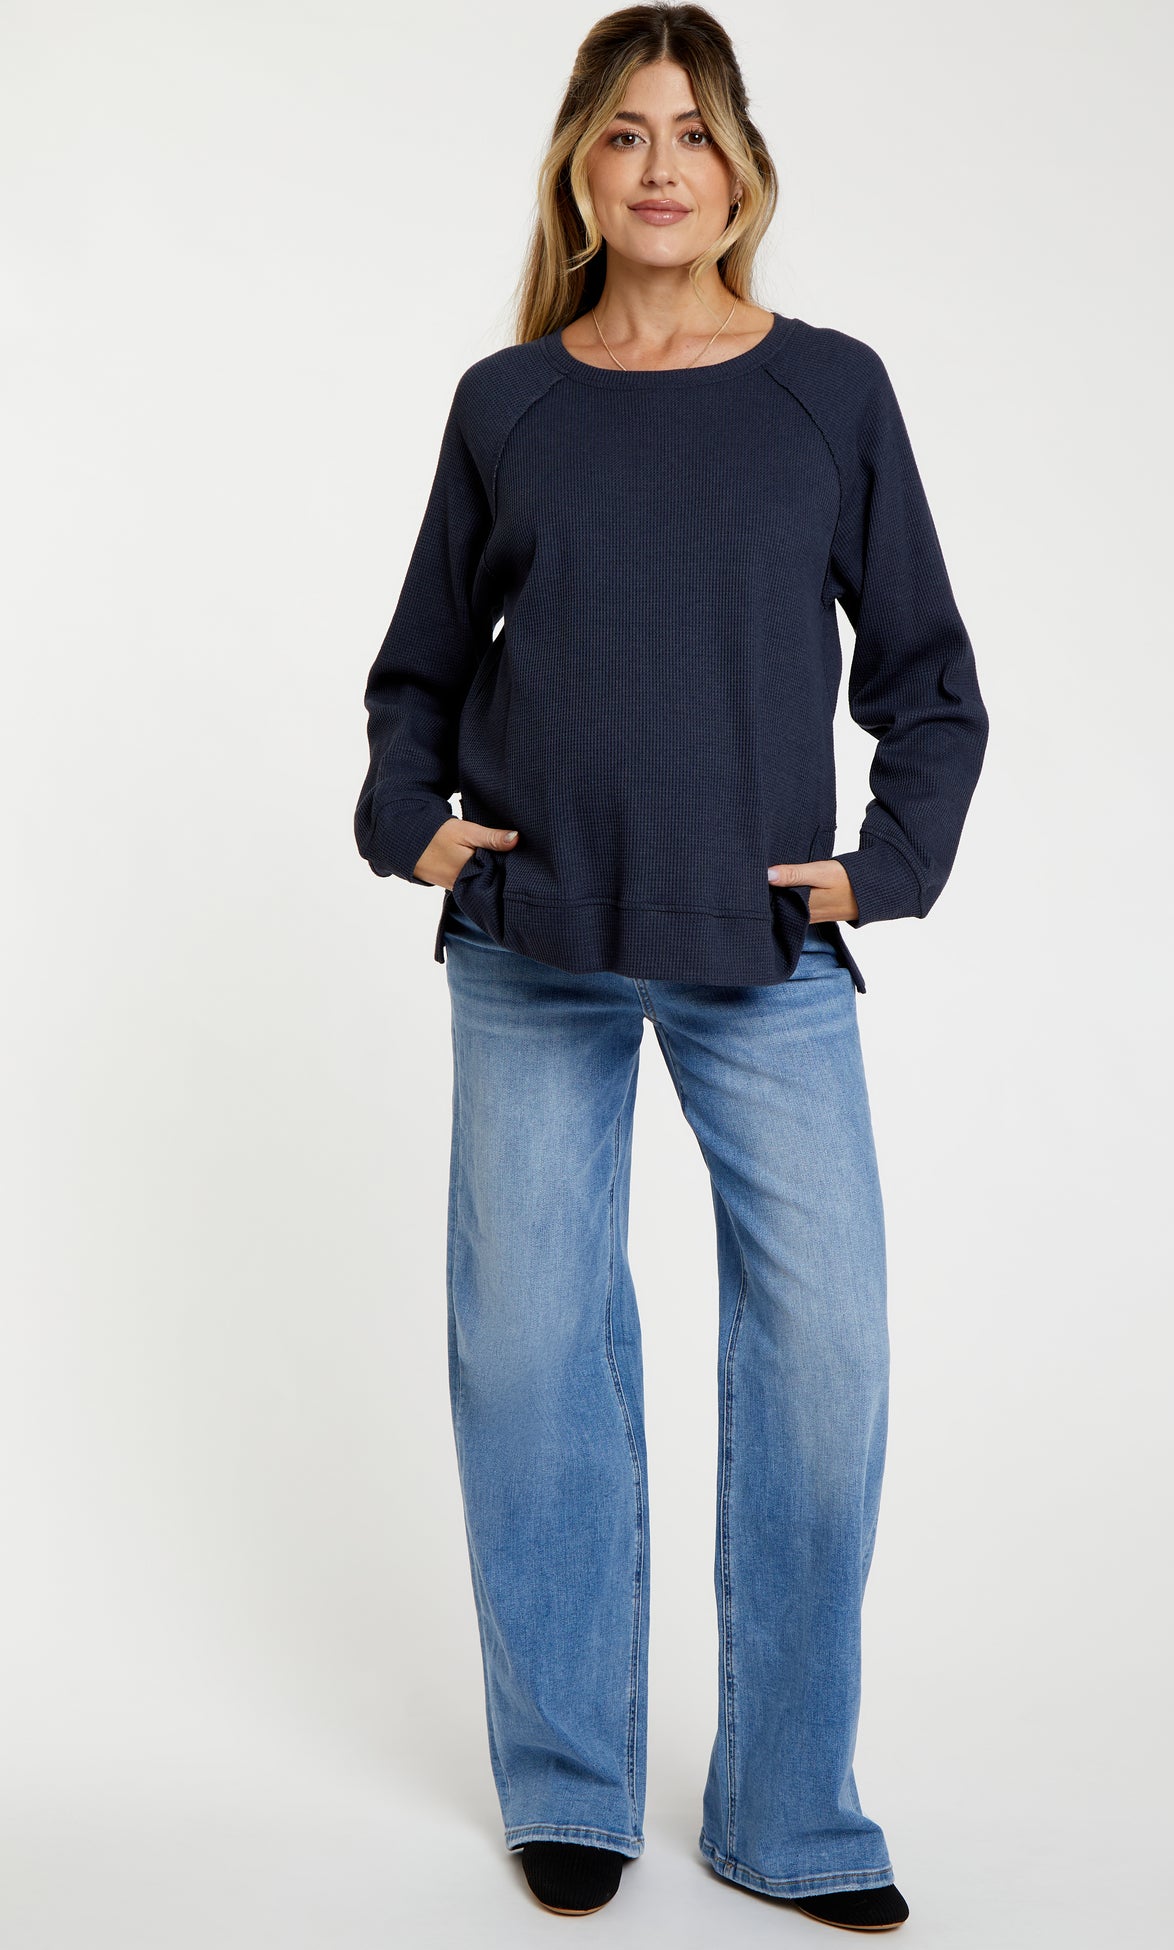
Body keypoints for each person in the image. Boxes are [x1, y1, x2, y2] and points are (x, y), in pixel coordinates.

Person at [353, 5, 989, 1931]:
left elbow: (932, 682)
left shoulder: (829, 392)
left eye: (693, 130)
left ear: (741, 168)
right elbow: (416, 674)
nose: (659, 165)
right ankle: (570, 1783)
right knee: (530, 1357)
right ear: (578, 163)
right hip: (531, 940)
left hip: (760, 950)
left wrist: (881, 868)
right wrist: (412, 821)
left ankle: (791, 1808)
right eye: (625, 131)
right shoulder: (509, 403)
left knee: (828, 1355)